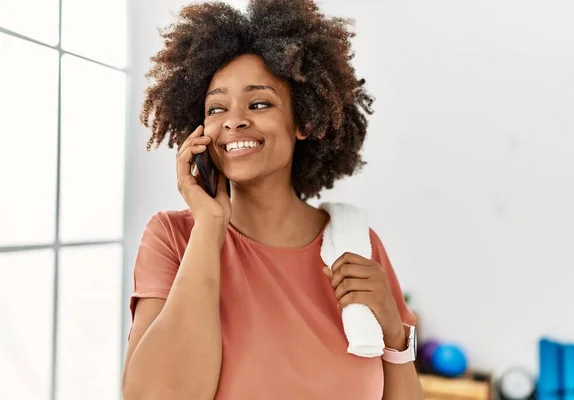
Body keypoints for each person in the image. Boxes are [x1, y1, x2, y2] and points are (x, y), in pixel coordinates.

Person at [121, 0, 423, 399]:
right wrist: (210, 227)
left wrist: (393, 333)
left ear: (302, 121)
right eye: (216, 108)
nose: (234, 120)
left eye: (259, 103)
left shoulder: (357, 246)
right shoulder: (174, 238)